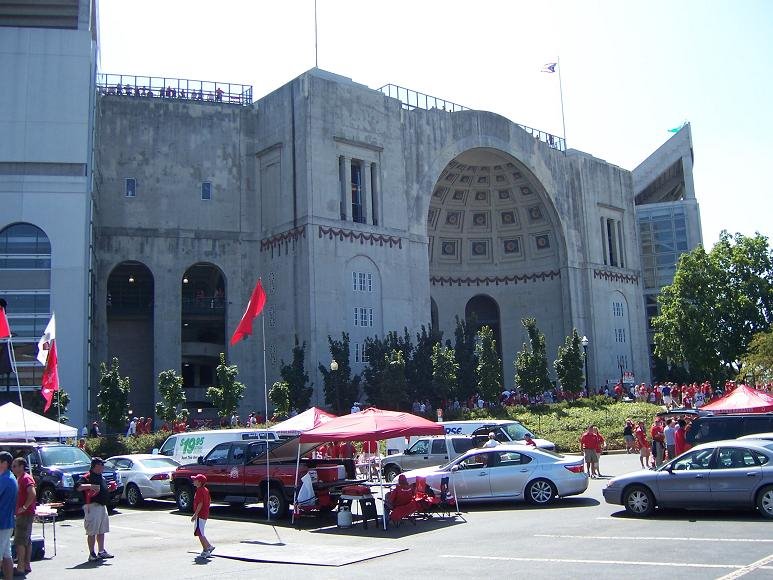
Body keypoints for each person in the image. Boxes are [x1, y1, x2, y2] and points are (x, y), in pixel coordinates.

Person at [77, 457, 114, 562]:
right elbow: (78, 487)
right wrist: (91, 486)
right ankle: (92, 553)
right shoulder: (87, 476)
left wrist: (110, 489)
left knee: (102, 530)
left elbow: (103, 489)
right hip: (92, 506)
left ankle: (101, 551)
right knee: (92, 531)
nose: (103, 467)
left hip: (102, 506)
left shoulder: (101, 477)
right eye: (101, 465)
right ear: (95, 466)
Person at [12, 457, 35, 576]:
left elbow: (32, 493)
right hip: (22, 514)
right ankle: (26, 564)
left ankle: (21, 567)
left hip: (25, 514)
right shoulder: (18, 478)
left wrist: (25, 507)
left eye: (15, 466)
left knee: (20, 540)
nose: (13, 468)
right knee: (26, 540)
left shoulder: (26, 478)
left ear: (22, 466)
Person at [0, 452, 17, 580]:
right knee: (6, 554)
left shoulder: (5, 479)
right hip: (7, 522)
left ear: (4, 463)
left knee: (3, 554)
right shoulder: (10, 477)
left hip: (2, 522)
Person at [191, 474, 214, 558]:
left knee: (199, 532)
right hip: (204, 513)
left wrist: (195, 514)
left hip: (200, 514)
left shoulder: (199, 490)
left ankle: (206, 550)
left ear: (199, 482)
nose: (193, 481)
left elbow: (200, 503)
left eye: (195, 480)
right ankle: (209, 546)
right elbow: (209, 500)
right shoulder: (205, 489)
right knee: (200, 531)